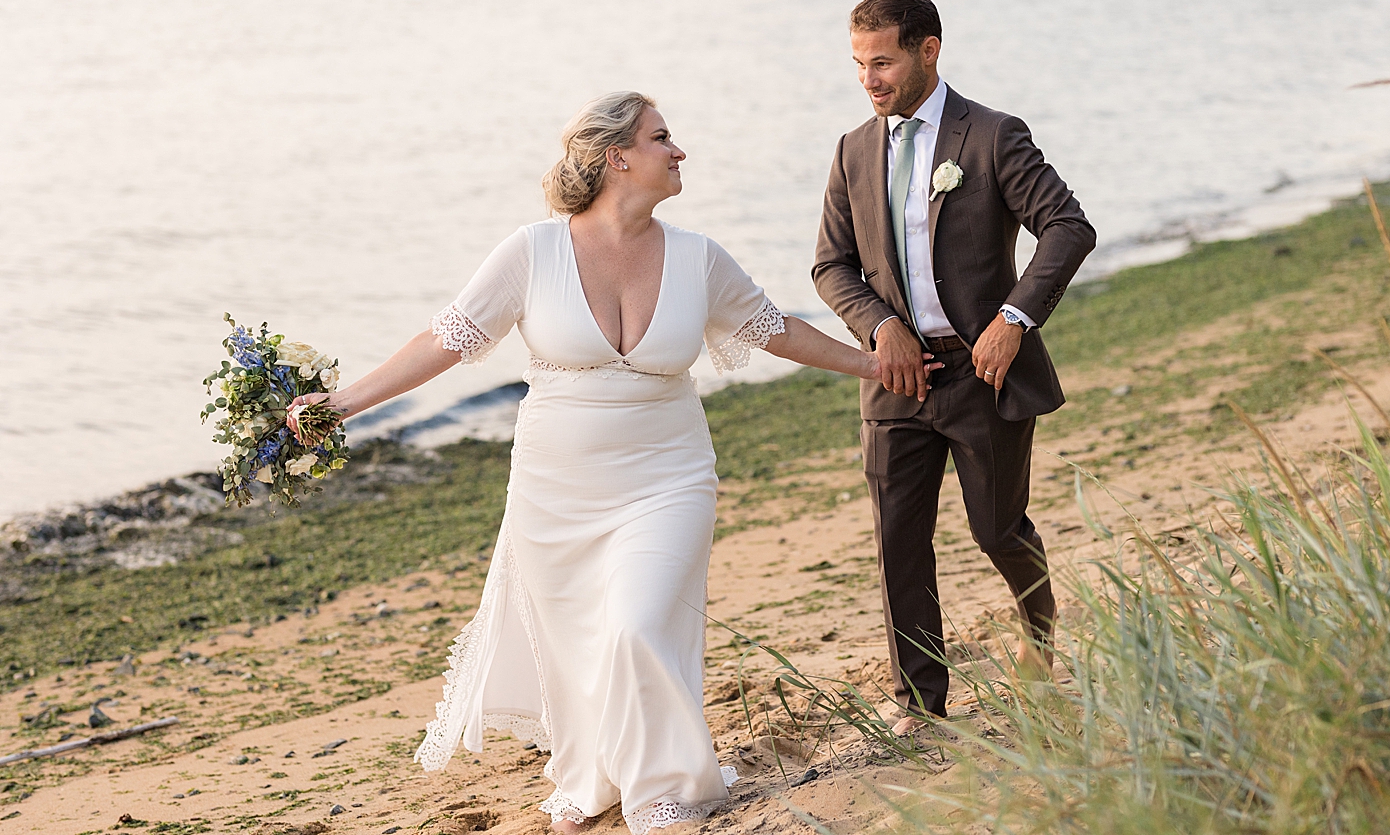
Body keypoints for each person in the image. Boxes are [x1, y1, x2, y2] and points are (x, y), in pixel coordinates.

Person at [289, 91, 937, 833]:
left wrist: (876, 366)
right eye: (663, 138)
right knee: (582, 648)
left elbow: (777, 331)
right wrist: (344, 403)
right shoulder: (531, 252)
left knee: (636, 625)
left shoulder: (698, 257)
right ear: (615, 156)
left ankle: (662, 787)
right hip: (555, 491)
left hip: (669, 477)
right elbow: (445, 340)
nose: (679, 151)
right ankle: (593, 776)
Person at [812, 0, 1096, 733]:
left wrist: (1013, 319)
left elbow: (1068, 227)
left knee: (998, 529)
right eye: (858, 65)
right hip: (896, 380)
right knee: (897, 540)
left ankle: (1040, 640)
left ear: (927, 51)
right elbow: (831, 267)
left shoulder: (993, 136)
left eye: (882, 62)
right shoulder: (851, 151)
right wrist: (878, 329)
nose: (869, 80)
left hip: (985, 373)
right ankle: (921, 702)